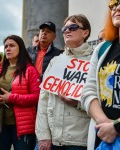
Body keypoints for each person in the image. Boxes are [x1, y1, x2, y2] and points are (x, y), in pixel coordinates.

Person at [35, 14, 93, 150]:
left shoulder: (94, 61)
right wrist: (43, 135)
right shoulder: (55, 61)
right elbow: (43, 100)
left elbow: (101, 100)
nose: (67, 31)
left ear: (85, 32)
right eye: (64, 29)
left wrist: (78, 103)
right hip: (54, 140)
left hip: (80, 140)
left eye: (72, 27)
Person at [0, 35, 41, 150]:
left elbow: (37, 97)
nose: (8, 49)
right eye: (6, 46)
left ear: (20, 48)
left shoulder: (30, 70)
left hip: (23, 126)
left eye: (12, 45)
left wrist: (11, 97)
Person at [81, 0, 120, 149]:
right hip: (103, 137)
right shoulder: (102, 49)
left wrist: (116, 127)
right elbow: (88, 91)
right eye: (113, 4)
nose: (117, 7)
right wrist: (104, 123)